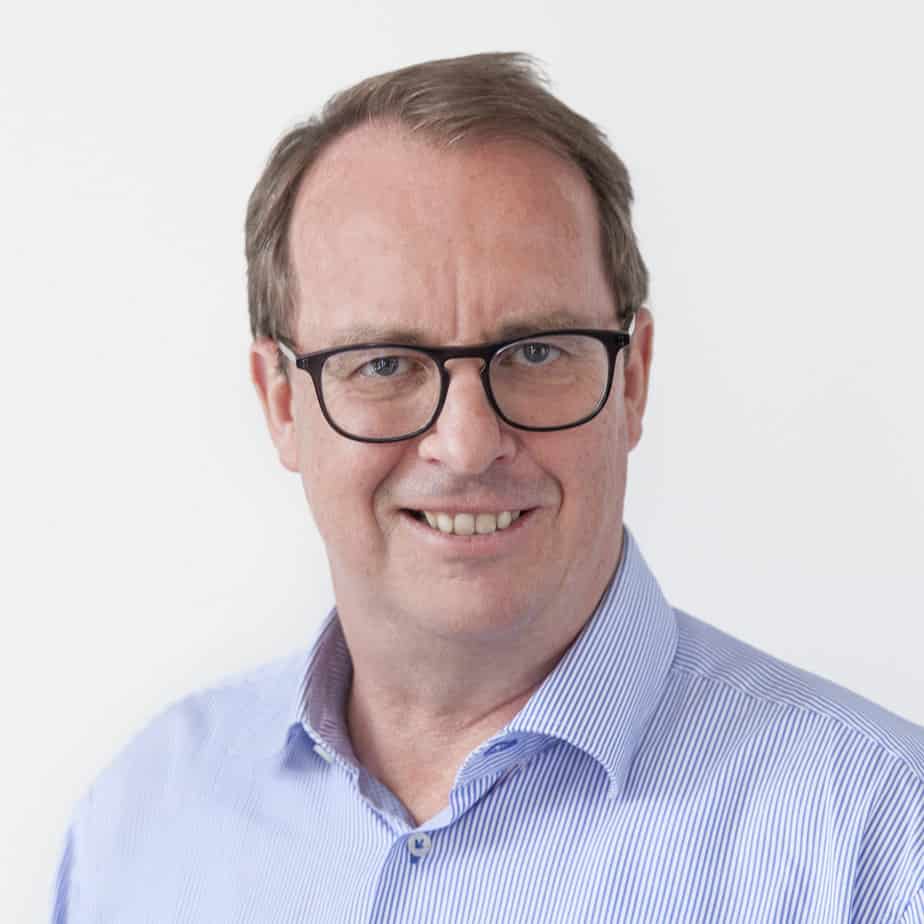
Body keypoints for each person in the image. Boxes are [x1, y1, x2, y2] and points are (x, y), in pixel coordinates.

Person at [52, 52, 923, 923]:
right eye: (383, 363)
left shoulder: (879, 842)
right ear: (282, 402)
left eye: (536, 352)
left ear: (633, 380)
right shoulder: (142, 820)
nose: (467, 445)